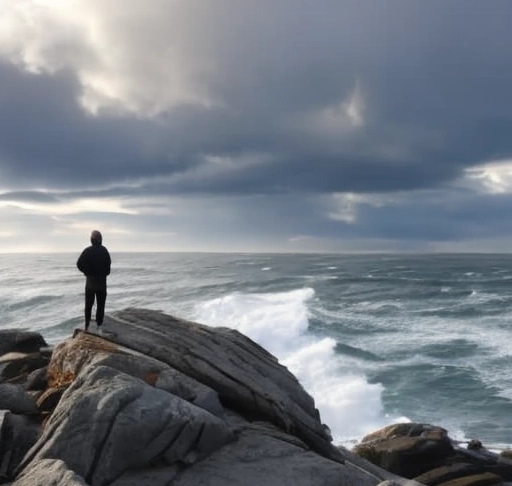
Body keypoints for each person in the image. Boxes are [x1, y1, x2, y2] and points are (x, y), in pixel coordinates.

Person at [77, 230, 111, 332]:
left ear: (92, 240)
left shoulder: (87, 251)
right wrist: (103, 274)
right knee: (100, 305)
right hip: (101, 283)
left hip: (90, 283)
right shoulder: (104, 251)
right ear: (100, 240)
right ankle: (99, 326)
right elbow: (108, 268)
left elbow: (79, 264)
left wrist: (87, 272)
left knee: (88, 305)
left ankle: (87, 325)